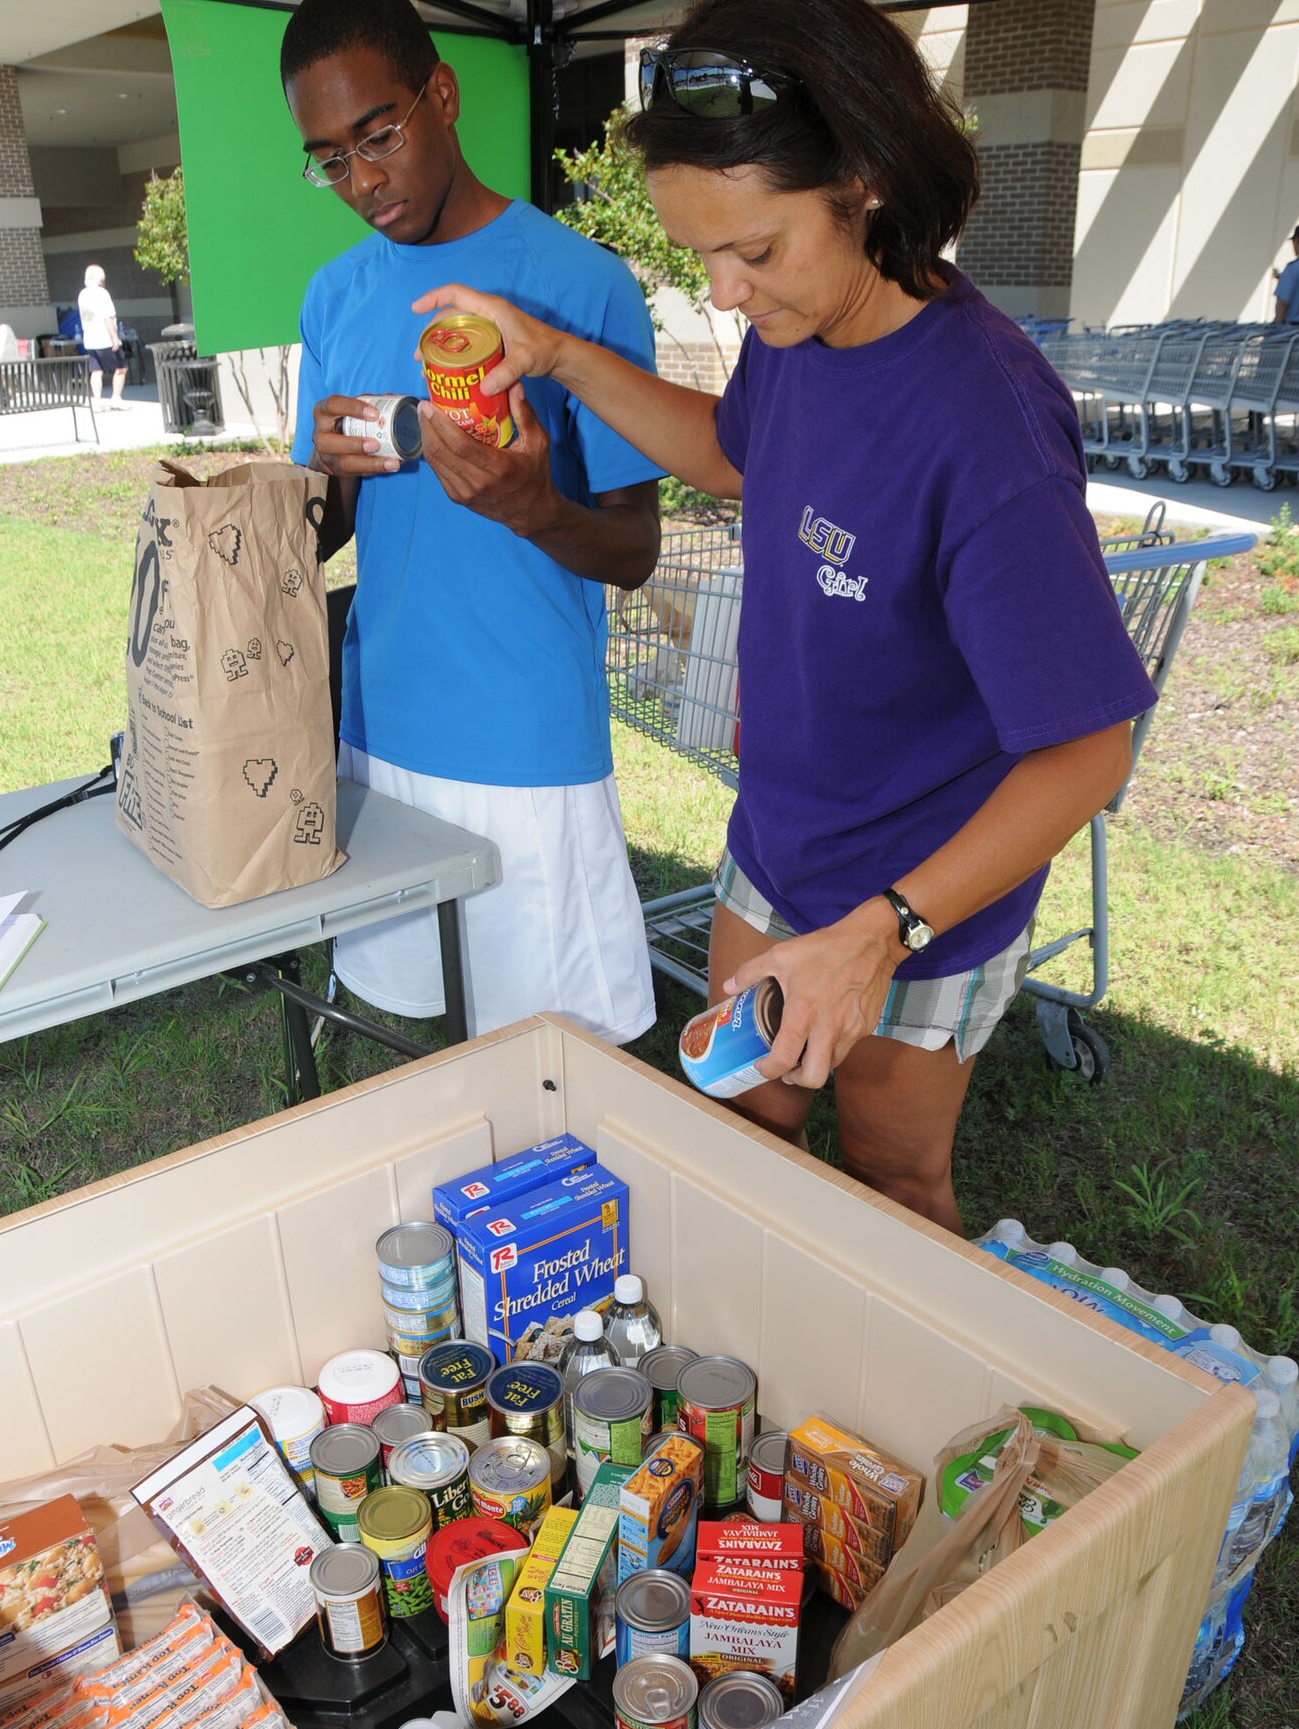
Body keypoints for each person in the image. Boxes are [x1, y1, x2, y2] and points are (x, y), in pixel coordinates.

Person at [413, 0, 1158, 1234]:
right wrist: (551, 353)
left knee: (892, 1178)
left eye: (752, 250)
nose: (725, 291)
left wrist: (884, 931)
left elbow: (1089, 748)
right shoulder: (807, 323)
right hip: (778, 842)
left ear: (862, 184)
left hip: (925, 900)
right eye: (700, 254)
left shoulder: (988, 431)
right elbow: (732, 449)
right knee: (741, 1119)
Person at [280, 0, 663, 1045]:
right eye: (329, 159)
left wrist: (534, 509)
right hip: (381, 725)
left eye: (379, 137)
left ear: (442, 95)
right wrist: (317, 475)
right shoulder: (334, 297)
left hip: (525, 739)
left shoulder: (581, 287)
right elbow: (319, 541)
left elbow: (635, 551)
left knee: (554, 1074)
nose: (362, 182)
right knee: (412, 1049)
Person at [77, 265, 128, 408]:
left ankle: (97, 401)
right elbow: (107, 317)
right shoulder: (102, 294)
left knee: (96, 370)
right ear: (100, 279)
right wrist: (115, 338)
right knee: (121, 368)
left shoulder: (83, 295)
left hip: (90, 339)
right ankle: (116, 398)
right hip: (105, 339)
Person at [1274, 226, 1299, 324]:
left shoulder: (1293, 269)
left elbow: (1282, 304)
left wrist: (1276, 328)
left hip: (1292, 333)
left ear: (1297, 241)